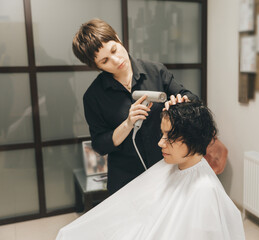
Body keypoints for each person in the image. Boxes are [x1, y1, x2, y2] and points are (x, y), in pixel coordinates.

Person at [56, 101, 245, 240]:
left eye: (169, 137)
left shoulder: (204, 189)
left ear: (193, 138)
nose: (160, 143)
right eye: (162, 134)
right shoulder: (172, 166)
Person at [72, 18, 197, 194]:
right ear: (96, 66)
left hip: (166, 169)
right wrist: (127, 124)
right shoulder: (93, 97)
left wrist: (179, 103)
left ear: (117, 38)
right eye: (105, 61)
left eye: (115, 50)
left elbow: (191, 98)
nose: (116, 60)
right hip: (125, 179)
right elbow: (100, 145)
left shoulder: (156, 71)